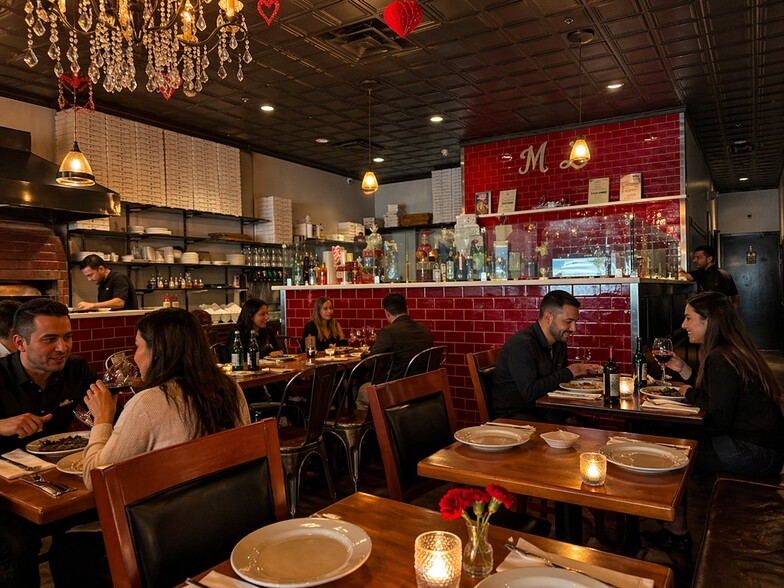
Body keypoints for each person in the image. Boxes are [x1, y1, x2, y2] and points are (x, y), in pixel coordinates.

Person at [48, 307, 250, 587]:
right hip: (228, 524)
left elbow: (97, 479)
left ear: (159, 351)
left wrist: (102, 420)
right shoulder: (230, 388)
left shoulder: (149, 402)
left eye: (137, 346)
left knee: (65, 551)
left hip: (170, 540)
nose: (135, 356)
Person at [645, 291, 784, 552]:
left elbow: (718, 420)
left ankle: (677, 533)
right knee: (678, 444)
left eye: (689, 318)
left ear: (709, 321)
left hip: (754, 452)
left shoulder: (720, 358)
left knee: (673, 457)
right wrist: (684, 370)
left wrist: (688, 393)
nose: (684, 325)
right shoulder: (732, 350)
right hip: (765, 448)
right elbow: (717, 395)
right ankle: (675, 530)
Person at [0, 299, 97, 588]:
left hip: (57, 478)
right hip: (6, 491)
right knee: (18, 547)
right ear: (20, 342)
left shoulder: (76, 370)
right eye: (50, 339)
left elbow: (105, 414)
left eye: (67, 337)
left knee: (104, 522)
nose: (62, 347)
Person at [492, 290, 602, 422]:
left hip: (545, 410)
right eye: (568, 321)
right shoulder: (522, 344)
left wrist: (584, 380)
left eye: (575, 322)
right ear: (548, 318)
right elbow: (530, 392)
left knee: (590, 429)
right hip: (514, 417)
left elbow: (557, 383)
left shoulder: (559, 342)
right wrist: (570, 372)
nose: (574, 328)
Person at [354, 293, 434, 410]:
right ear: (407, 309)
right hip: (423, 387)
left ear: (386, 312)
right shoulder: (424, 329)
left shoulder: (389, 331)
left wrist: (364, 357)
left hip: (398, 390)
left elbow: (370, 362)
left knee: (362, 391)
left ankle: (378, 422)